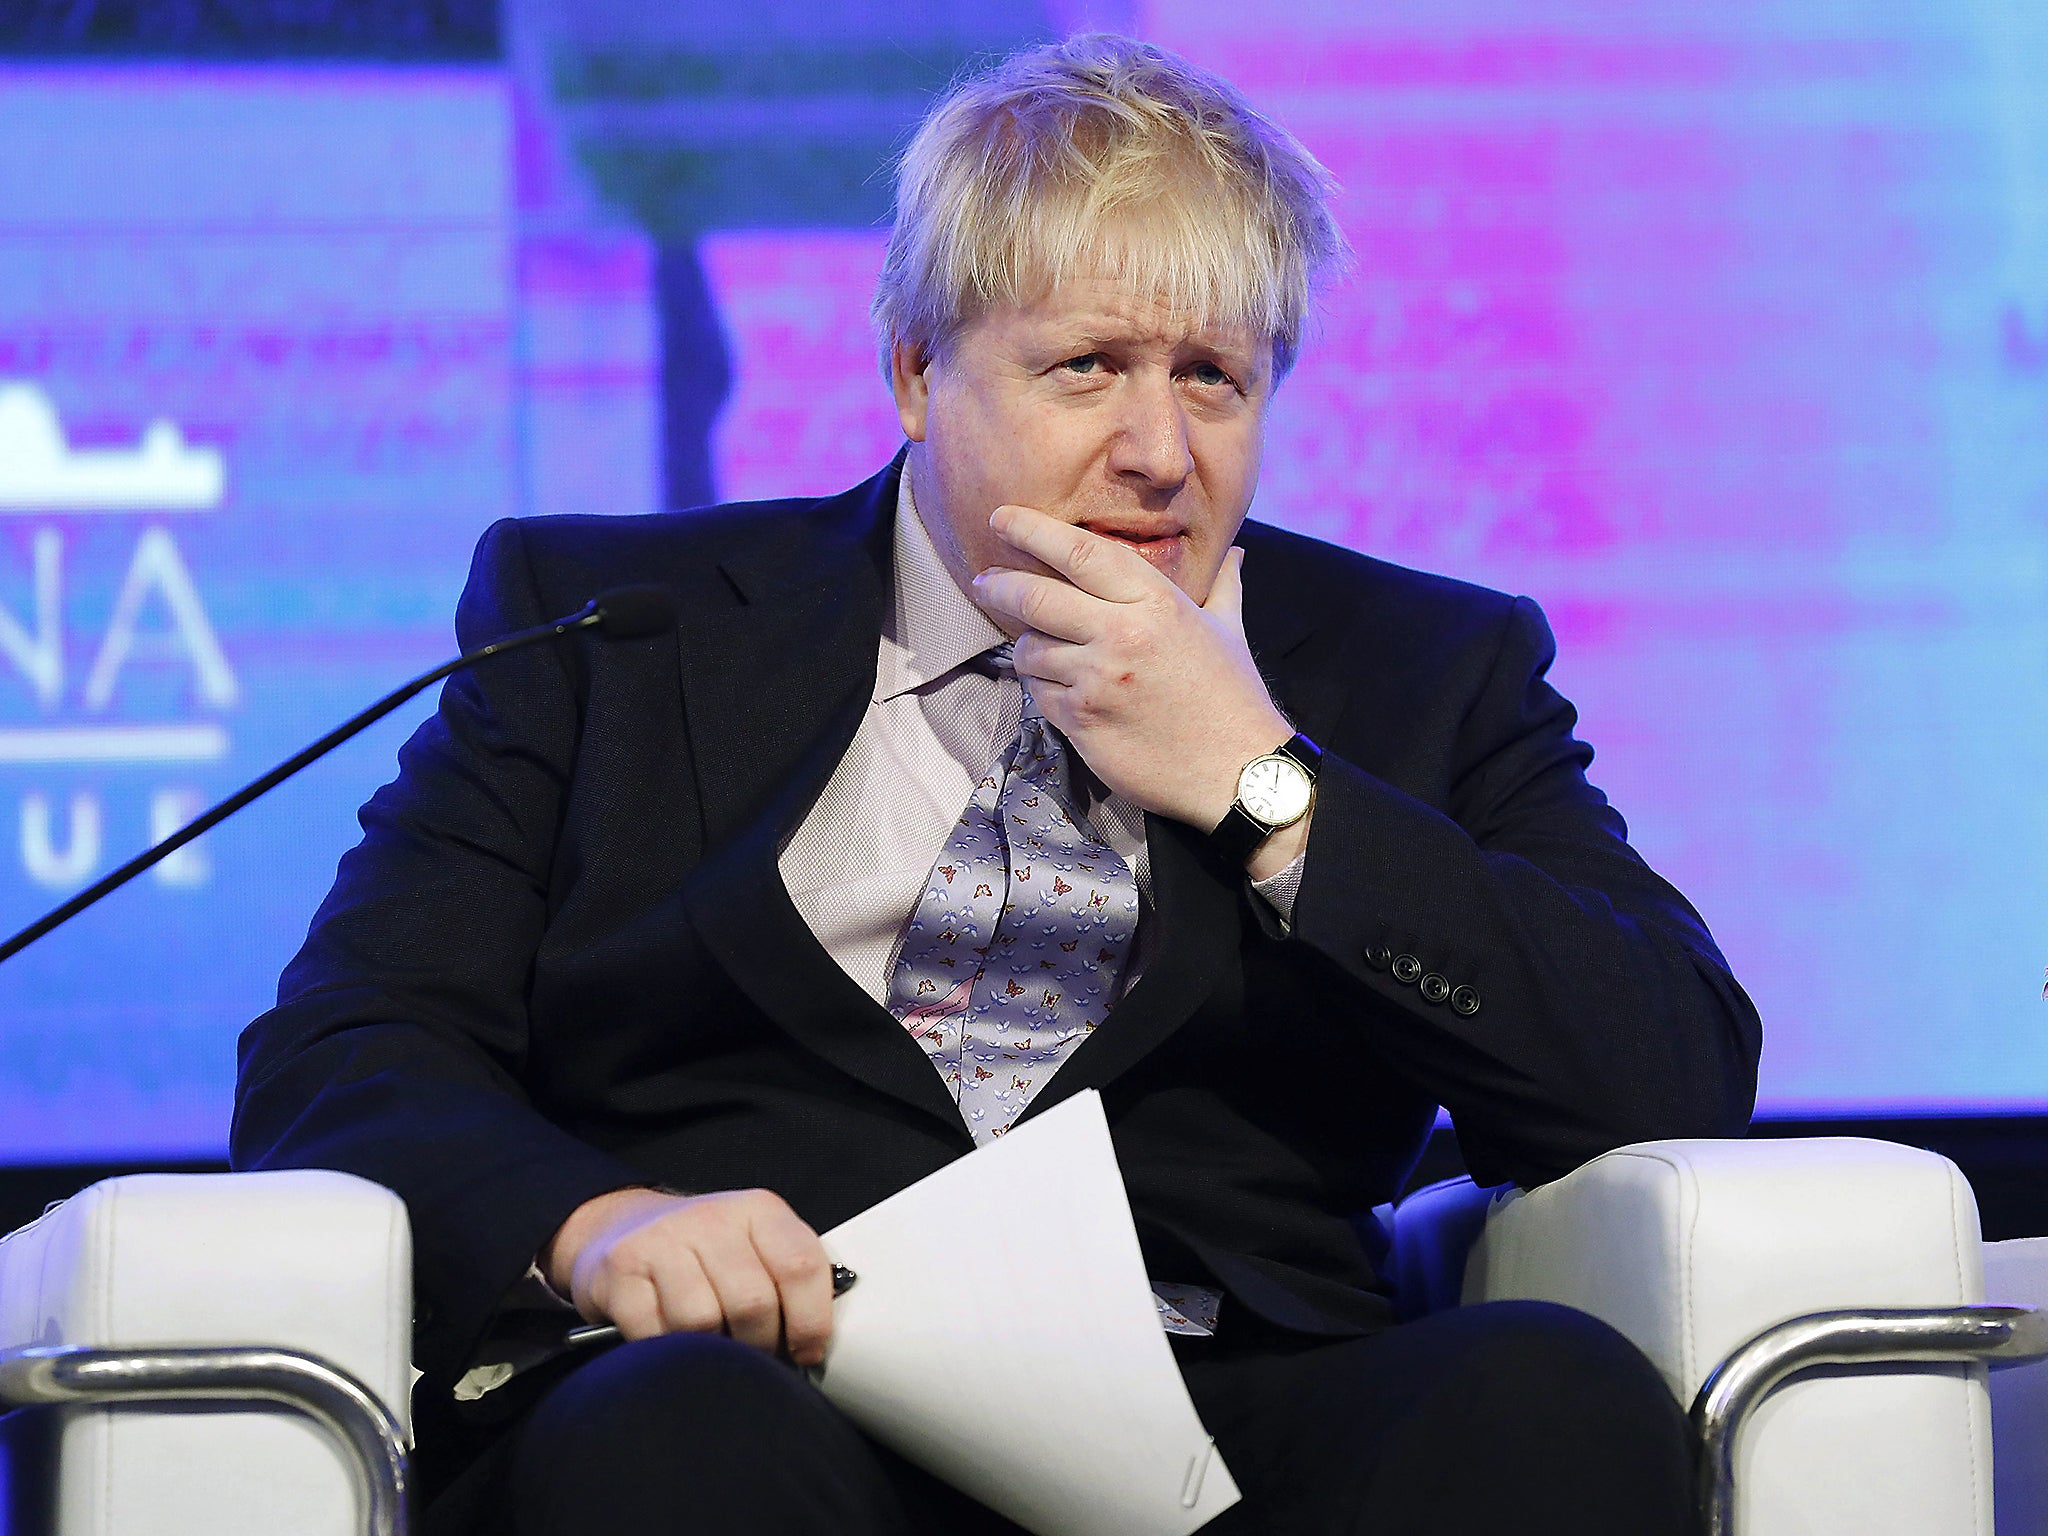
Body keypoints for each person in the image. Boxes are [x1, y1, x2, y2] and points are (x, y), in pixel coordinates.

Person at [234, 33, 1761, 1536]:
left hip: (1226, 1415)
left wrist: (1265, 784)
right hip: (755, 1388)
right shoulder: (613, 627)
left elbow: (1668, 1065)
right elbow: (346, 1049)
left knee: (1545, 1395)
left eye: (1215, 379)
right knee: (671, 1440)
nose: (1159, 451)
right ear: (914, 369)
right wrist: (601, 1227)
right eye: (1088, 365)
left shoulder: (1424, 666)